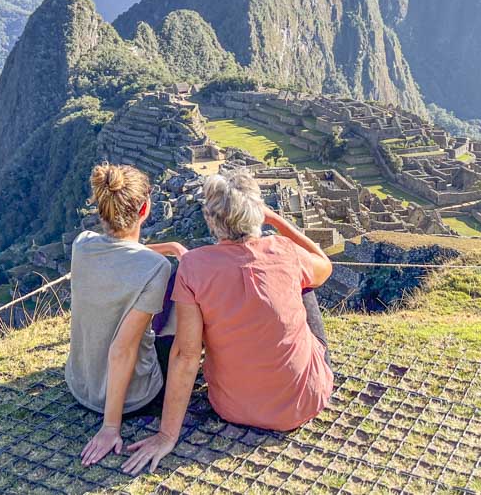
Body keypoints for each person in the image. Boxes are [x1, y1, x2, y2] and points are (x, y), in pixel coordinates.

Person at [122, 169, 334, 475]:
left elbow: (187, 354)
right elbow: (324, 265)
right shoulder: (284, 251)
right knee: (306, 284)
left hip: (233, 407)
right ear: (256, 213)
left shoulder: (194, 267)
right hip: (304, 399)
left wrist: (167, 436)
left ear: (211, 219)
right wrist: (275, 220)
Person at [66, 163, 186, 467]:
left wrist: (168, 247)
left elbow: (121, 251)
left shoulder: (82, 245)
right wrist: (110, 427)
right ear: (144, 209)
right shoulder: (156, 268)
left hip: (80, 386)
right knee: (184, 285)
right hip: (135, 398)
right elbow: (122, 350)